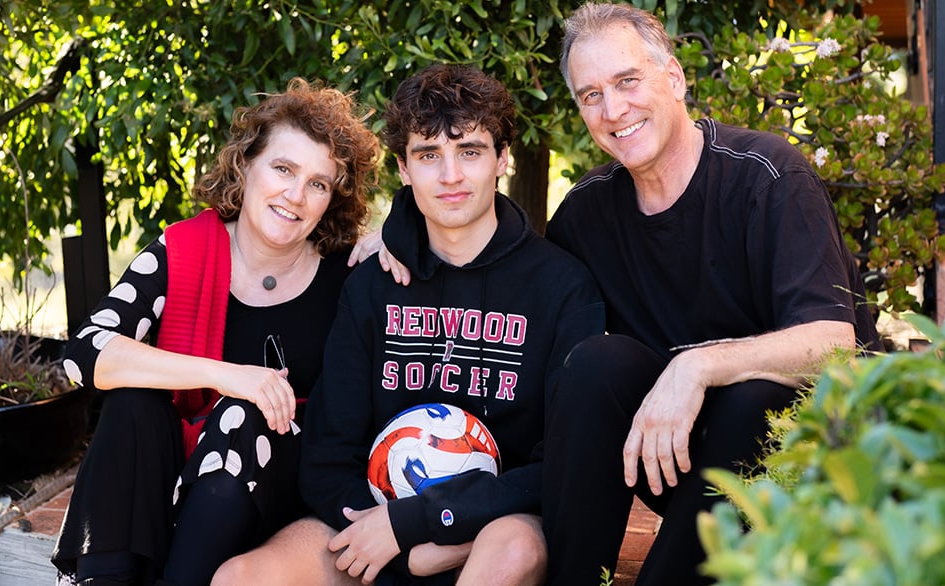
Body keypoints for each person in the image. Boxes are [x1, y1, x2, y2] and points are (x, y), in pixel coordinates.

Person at [212, 64, 605, 585]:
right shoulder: (373, 284)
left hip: (493, 526)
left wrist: (419, 523)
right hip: (370, 525)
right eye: (428, 156)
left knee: (513, 548)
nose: (450, 176)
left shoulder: (563, 287)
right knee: (240, 578)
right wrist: (398, 547)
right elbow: (328, 454)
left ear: (502, 159)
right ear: (402, 167)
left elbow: (560, 464)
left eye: (470, 152)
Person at [540, 3, 883, 585]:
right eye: (590, 94)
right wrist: (407, 236)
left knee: (754, 396)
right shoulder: (585, 214)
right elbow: (515, 280)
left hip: (807, 468)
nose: (613, 109)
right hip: (682, 463)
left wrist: (696, 367)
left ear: (673, 78)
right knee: (595, 365)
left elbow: (835, 342)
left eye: (627, 81)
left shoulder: (768, 175)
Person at [51, 78, 381, 586]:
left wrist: (398, 237)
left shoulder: (350, 272)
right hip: (179, 482)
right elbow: (85, 355)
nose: (295, 195)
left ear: (330, 198)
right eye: (283, 169)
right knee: (132, 404)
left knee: (243, 417)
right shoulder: (183, 250)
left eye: (318, 183)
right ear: (245, 165)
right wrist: (228, 375)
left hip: (282, 491)